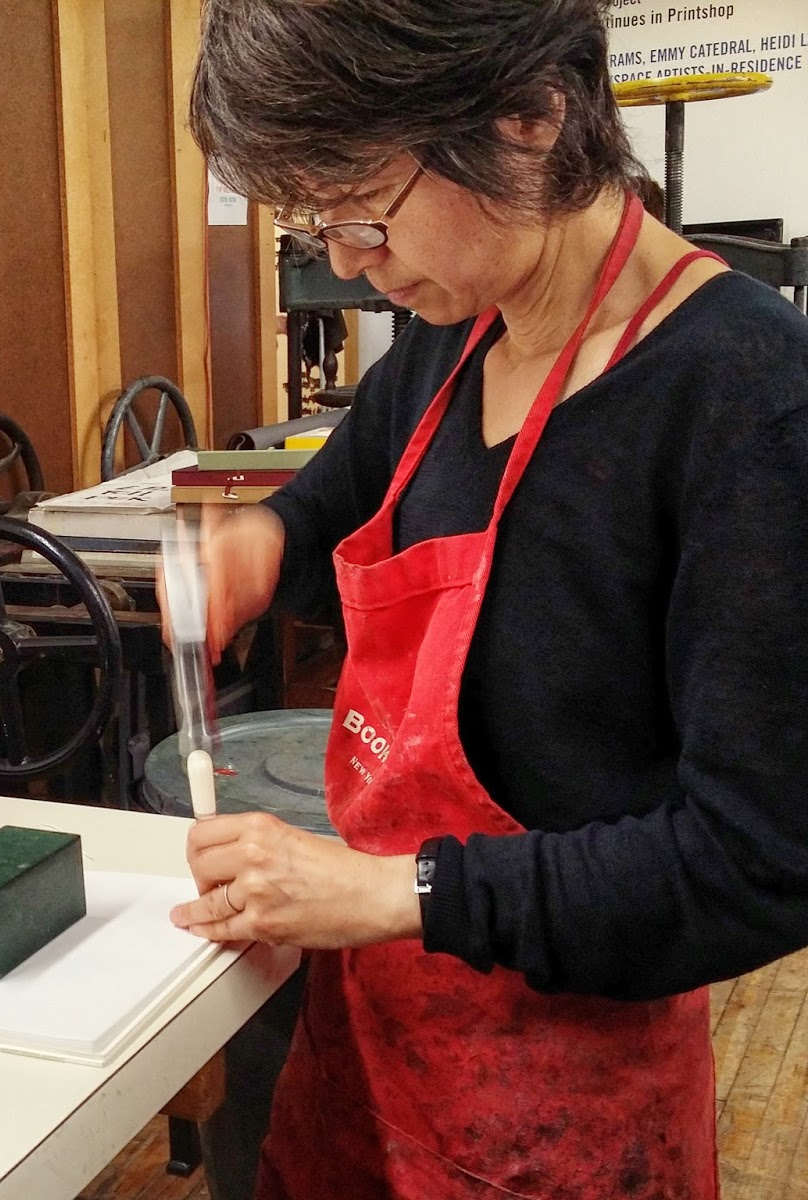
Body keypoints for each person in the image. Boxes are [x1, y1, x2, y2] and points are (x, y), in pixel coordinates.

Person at [164, 1, 808, 1196]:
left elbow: (758, 860)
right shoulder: (442, 347)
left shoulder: (743, 401)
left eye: (361, 208)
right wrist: (258, 542)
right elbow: (334, 514)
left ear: (527, 119)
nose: (346, 258)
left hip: (564, 1102)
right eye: (315, 221)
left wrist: (392, 892)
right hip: (371, 1043)